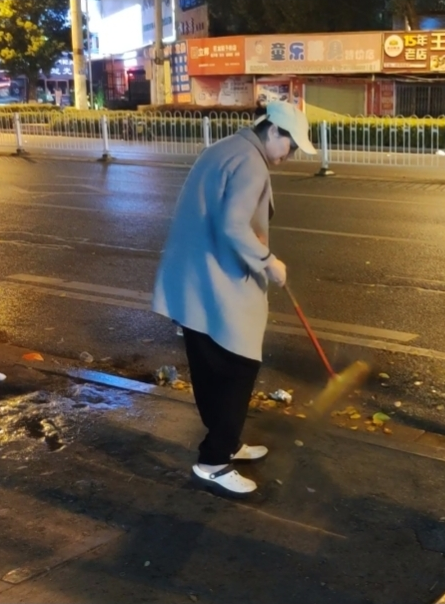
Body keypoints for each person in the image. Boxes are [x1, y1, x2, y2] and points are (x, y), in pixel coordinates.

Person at [152, 101, 317, 497]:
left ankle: (227, 442)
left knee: (210, 367)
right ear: (274, 132)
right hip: (217, 282)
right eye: (291, 147)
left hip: (194, 279)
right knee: (239, 366)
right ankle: (213, 461)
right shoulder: (252, 163)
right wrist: (268, 261)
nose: (289, 156)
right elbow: (232, 224)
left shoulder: (226, 148)